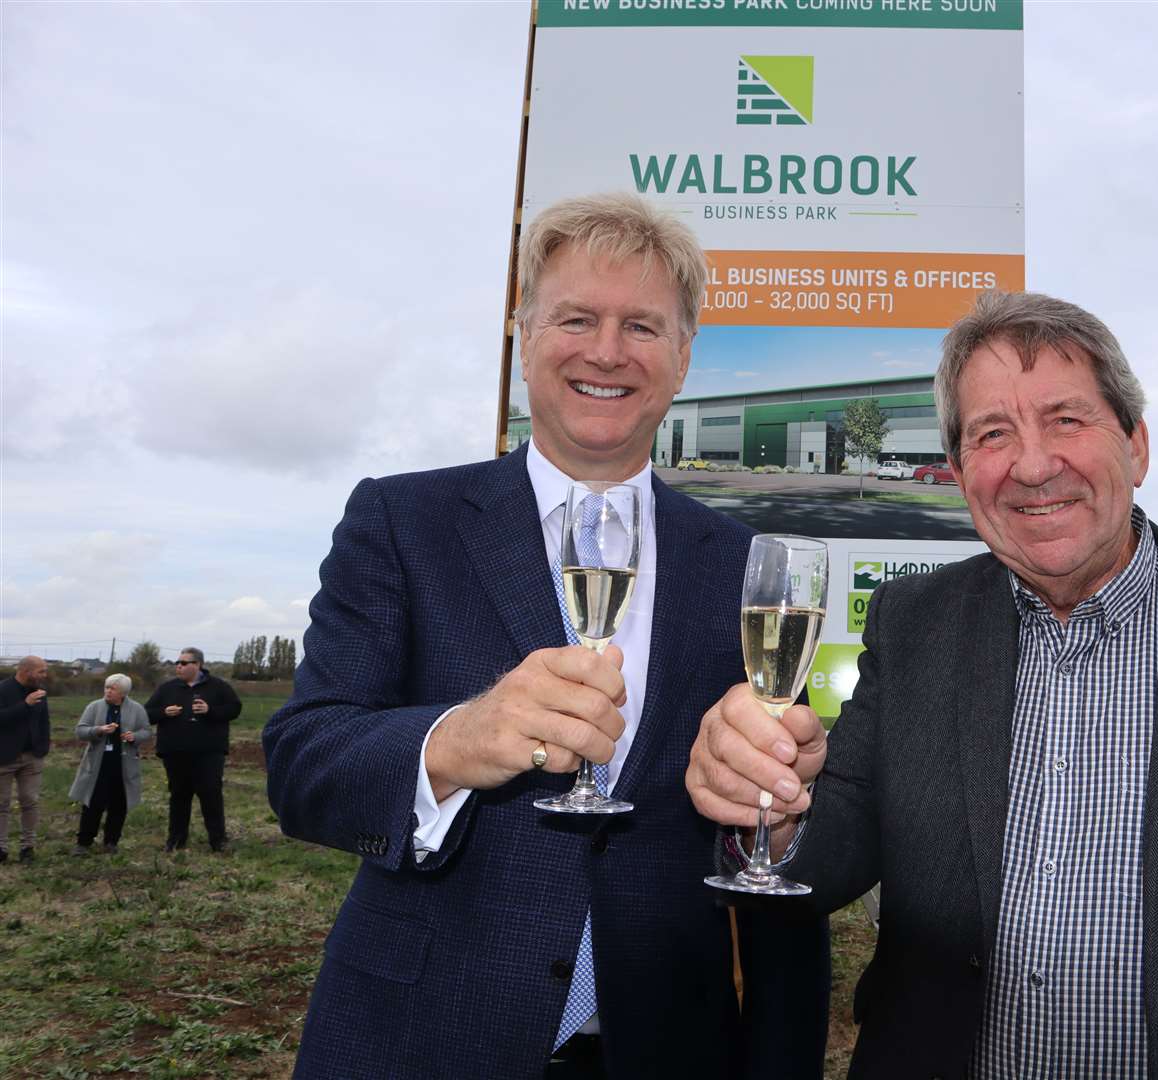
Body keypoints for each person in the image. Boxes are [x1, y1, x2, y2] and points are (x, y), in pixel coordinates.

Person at [688, 290, 1158, 1078]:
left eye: (1066, 419)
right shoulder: (913, 624)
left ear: (1136, 446)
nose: (1032, 465)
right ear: (959, 474)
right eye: (993, 434)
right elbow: (839, 842)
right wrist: (775, 820)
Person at [261, 193, 828, 1080]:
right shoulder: (402, 519)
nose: (607, 351)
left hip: (671, 1048)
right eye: (575, 318)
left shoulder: (743, 564)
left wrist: (775, 814)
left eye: (643, 326)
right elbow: (304, 764)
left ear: (683, 359)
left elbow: (753, 844)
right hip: (423, 1041)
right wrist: (455, 740)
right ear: (523, 335)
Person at [144, 648, 241, 852]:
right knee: (179, 796)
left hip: (208, 753)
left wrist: (210, 711)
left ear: (198, 665)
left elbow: (235, 709)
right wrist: (164, 712)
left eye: (184, 662)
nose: (178, 666)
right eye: (177, 663)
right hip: (175, 752)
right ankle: (176, 841)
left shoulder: (218, 687)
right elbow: (147, 714)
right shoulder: (167, 689)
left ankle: (218, 841)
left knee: (211, 795)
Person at [69, 673, 153, 854]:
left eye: (112, 689)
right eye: (106, 687)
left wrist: (134, 737)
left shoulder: (137, 709)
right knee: (93, 803)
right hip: (98, 765)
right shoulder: (94, 707)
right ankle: (83, 842)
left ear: (123, 692)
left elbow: (146, 731)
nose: (107, 691)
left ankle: (111, 842)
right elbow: (80, 731)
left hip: (123, 766)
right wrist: (98, 730)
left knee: (119, 805)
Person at [0, 655, 51, 865]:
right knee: (1, 804)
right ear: (26, 671)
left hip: (32, 757)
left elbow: (44, 721)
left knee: (30, 801)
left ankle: (27, 847)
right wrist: (25, 705)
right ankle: (1, 849)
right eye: (41, 671)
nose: (44, 675)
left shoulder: (39, 693)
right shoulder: (3, 690)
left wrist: (44, 746)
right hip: (4, 757)